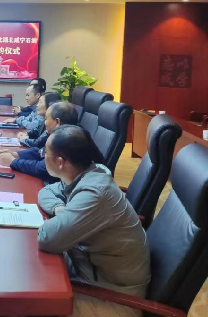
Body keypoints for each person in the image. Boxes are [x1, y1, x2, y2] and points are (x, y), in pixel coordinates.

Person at [38, 125, 150, 317]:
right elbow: (46, 191)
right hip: (86, 272)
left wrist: (63, 219)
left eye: (44, 153)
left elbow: (47, 238)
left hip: (113, 299)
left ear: (60, 162)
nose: (42, 156)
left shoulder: (95, 193)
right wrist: (59, 209)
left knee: (28, 304)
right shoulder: (83, 174)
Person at [0, 102, 78, 183]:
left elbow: (42, 168)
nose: (44, 123)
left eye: (46, 119)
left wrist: (13, 161)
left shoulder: (67, 141)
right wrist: (16, 155)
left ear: (57, 122)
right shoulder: (63, 134)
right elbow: (40, 152)